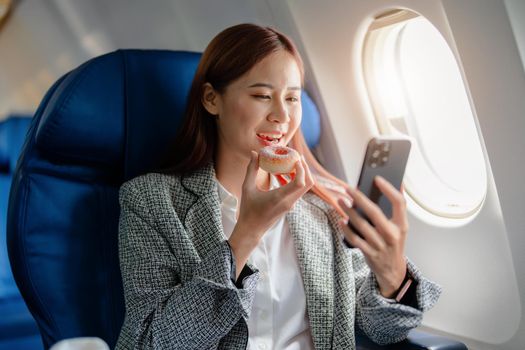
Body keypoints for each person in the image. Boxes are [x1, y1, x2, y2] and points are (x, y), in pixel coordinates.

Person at [115, 23, 441, 350]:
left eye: (292, 98)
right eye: (262, 96)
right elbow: (151, 342)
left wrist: (392, 277)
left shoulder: (325, 207)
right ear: (212, 99)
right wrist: (246, 234)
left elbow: (384, 330)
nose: (282, 115)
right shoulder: (151, 201)